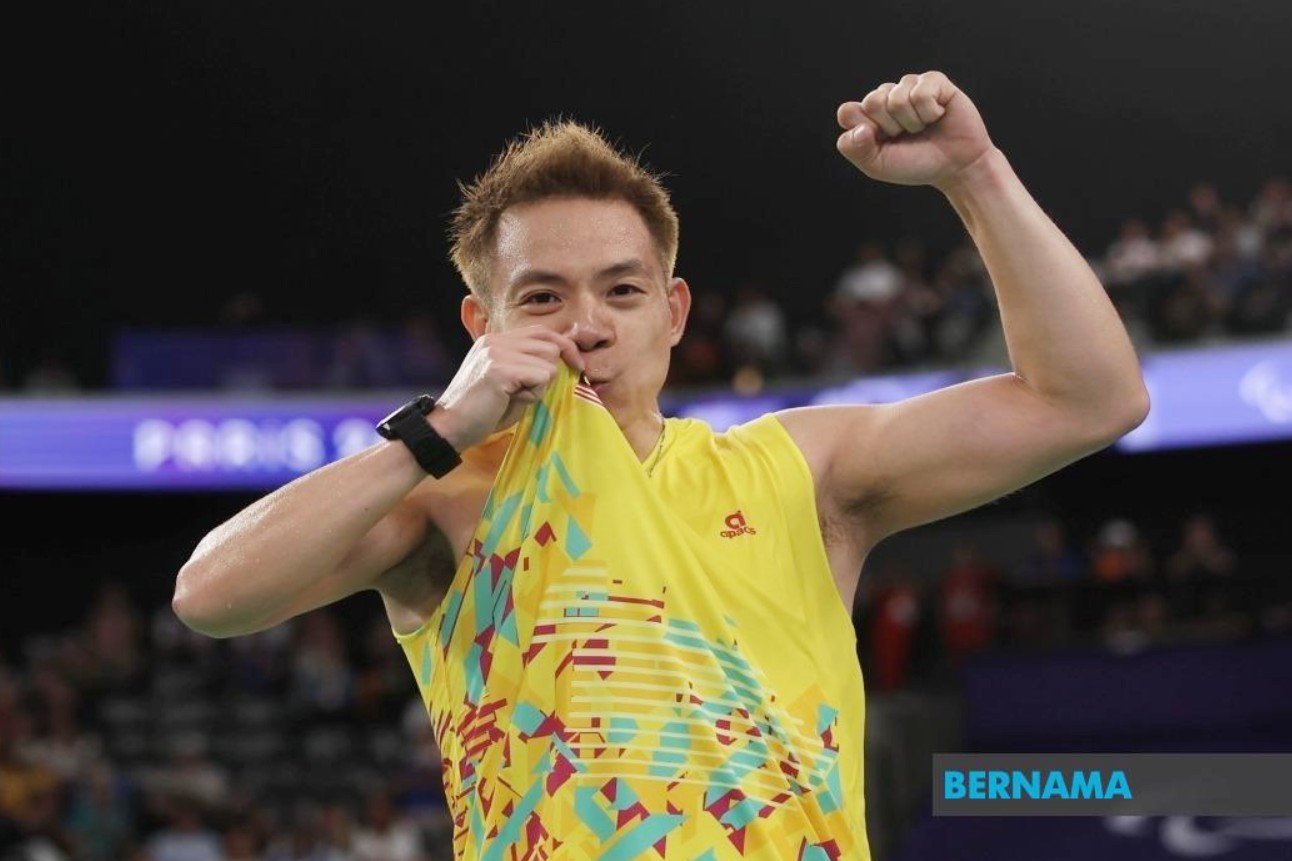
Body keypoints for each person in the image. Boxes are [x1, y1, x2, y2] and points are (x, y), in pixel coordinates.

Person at [172, 70, 1150, 860]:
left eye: (622, 291)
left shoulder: (798, 470)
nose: (587, 326)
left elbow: (1088, 400)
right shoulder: (450, 496)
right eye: (542, 297)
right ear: (482, 325)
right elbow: (211, 595)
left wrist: (974, 175)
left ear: (673, 313)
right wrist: (438, 429)